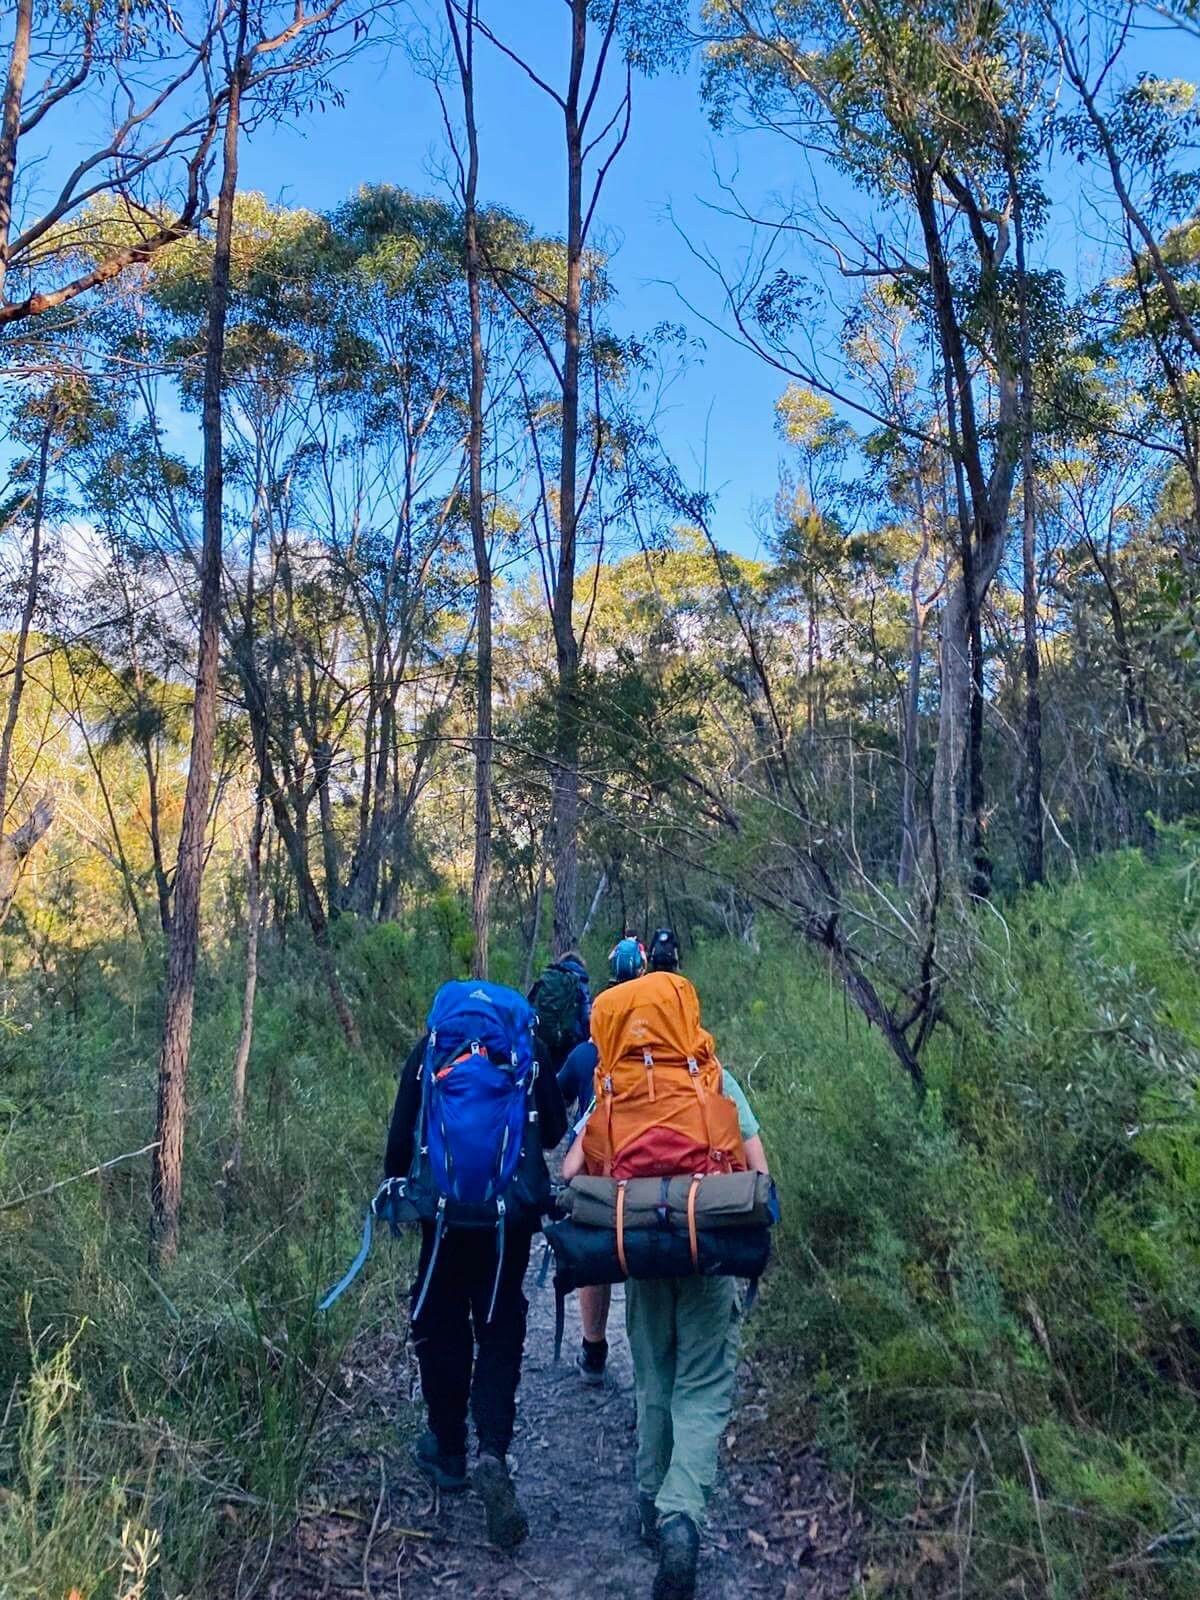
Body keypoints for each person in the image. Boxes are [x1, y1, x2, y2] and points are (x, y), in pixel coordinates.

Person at [561, 936, 769, 1600]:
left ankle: (651, 1505)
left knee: (653, 1375)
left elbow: (570, 1173)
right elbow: (760, 1173)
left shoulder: (615, 1085)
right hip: (707, 1249)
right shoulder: (710, 1076)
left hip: (643, 1250)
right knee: (703, 1386)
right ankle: (683, 1514)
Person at [384, 992, 567, 1549]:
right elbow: (555, 1132)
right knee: (500, 1326)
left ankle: (447, 1447)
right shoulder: (526, 1049)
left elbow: (399, 1144)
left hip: (442, 1220)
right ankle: (492, 1447)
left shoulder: (430, 1049)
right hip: (507, 1219)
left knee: (439, 1321)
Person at [555, 932, 650, 1386]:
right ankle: (651, 1364)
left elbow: (556, 1105)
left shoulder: (587, 1050)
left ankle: (594, 1349)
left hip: (598, 1171)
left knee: (597, 1245)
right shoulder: (658, 1036)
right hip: (650, 1163)